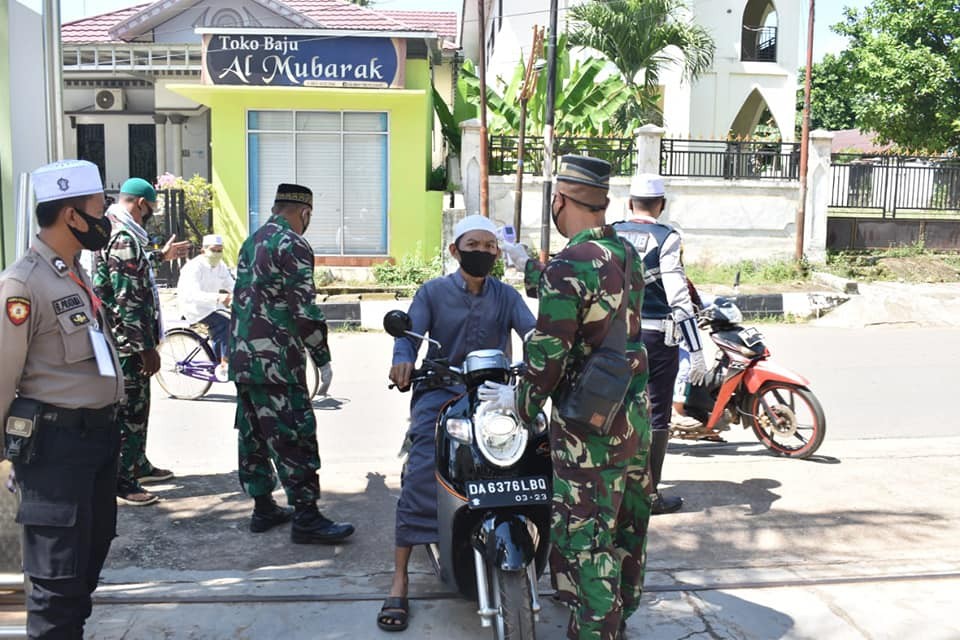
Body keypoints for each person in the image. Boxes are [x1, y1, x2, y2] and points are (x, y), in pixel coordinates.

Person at [492, 155, 652, 640]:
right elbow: (593, 302)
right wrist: (532, 268)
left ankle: (595, 630)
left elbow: (547, 354)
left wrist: (517, 405)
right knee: (624, 527)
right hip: (631, 417)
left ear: (560, 200)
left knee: (586, 539)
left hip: (588, 432)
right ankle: (617, 622)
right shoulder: (625, 254)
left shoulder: (570, 264)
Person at [377, 214, 536, 632]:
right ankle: (399, 580)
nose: (482, 253)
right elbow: (407, 334)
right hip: (442, 392)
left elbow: (532, 333)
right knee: (421, 475)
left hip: (494, 396)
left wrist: (545, 356)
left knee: (535, 460)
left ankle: (549, 557)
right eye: (474, 245)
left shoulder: (506, 295)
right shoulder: (432, 292)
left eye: (489, 247)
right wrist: (403, 360)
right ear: (455, 250)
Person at [0, 159, 125, 638]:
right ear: (72, 215)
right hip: (54, 448)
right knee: (56, 585)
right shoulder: (24, 283)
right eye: (98, 207)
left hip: (95, 442)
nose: (105, 216)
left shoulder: (72, 274)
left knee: (85, 566)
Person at [229, 183, 351, 544]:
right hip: (277, 361)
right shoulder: (293, 244)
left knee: (252, 433)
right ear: (305, 213)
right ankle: (307, 517)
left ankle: (263, 506)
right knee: (293, 434)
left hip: (243, 357)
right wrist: (322, 358)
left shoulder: (252, 241)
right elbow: (304, 309)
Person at [612, 174, 707, 515]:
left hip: (613, 335)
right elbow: (679, 297)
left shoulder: (612, 233)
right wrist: (696, 350)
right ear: (662, 205)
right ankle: (649, 495)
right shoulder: (666, 238)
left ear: (629, 202)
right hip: (656, 337)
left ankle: (613, 489)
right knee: (655, 412)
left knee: (614, 407)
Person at [92, 177, 190, 506]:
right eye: (151, 210)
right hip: (126, 344)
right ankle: (123, 479)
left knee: (139, 409)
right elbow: (127, 298)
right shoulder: (122, 236)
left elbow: (135, 268)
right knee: (129, 412)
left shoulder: (121, 231)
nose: (151, 216)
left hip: (126, 340)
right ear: (141, 203)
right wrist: (145, 348)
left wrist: (161, 255)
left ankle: (138, 464)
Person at [176, 233, 235, 382]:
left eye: (220, 250)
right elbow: (193, 294)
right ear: (203, 250)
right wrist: (218, 297)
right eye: (214, 250)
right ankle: (221, 363)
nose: (217, 254)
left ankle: (226, 357)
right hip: (194, 307)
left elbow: (231, 284)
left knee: (238, 319)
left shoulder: (220, 266)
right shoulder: (193, 267)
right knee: (224, 323)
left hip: (213, 306)